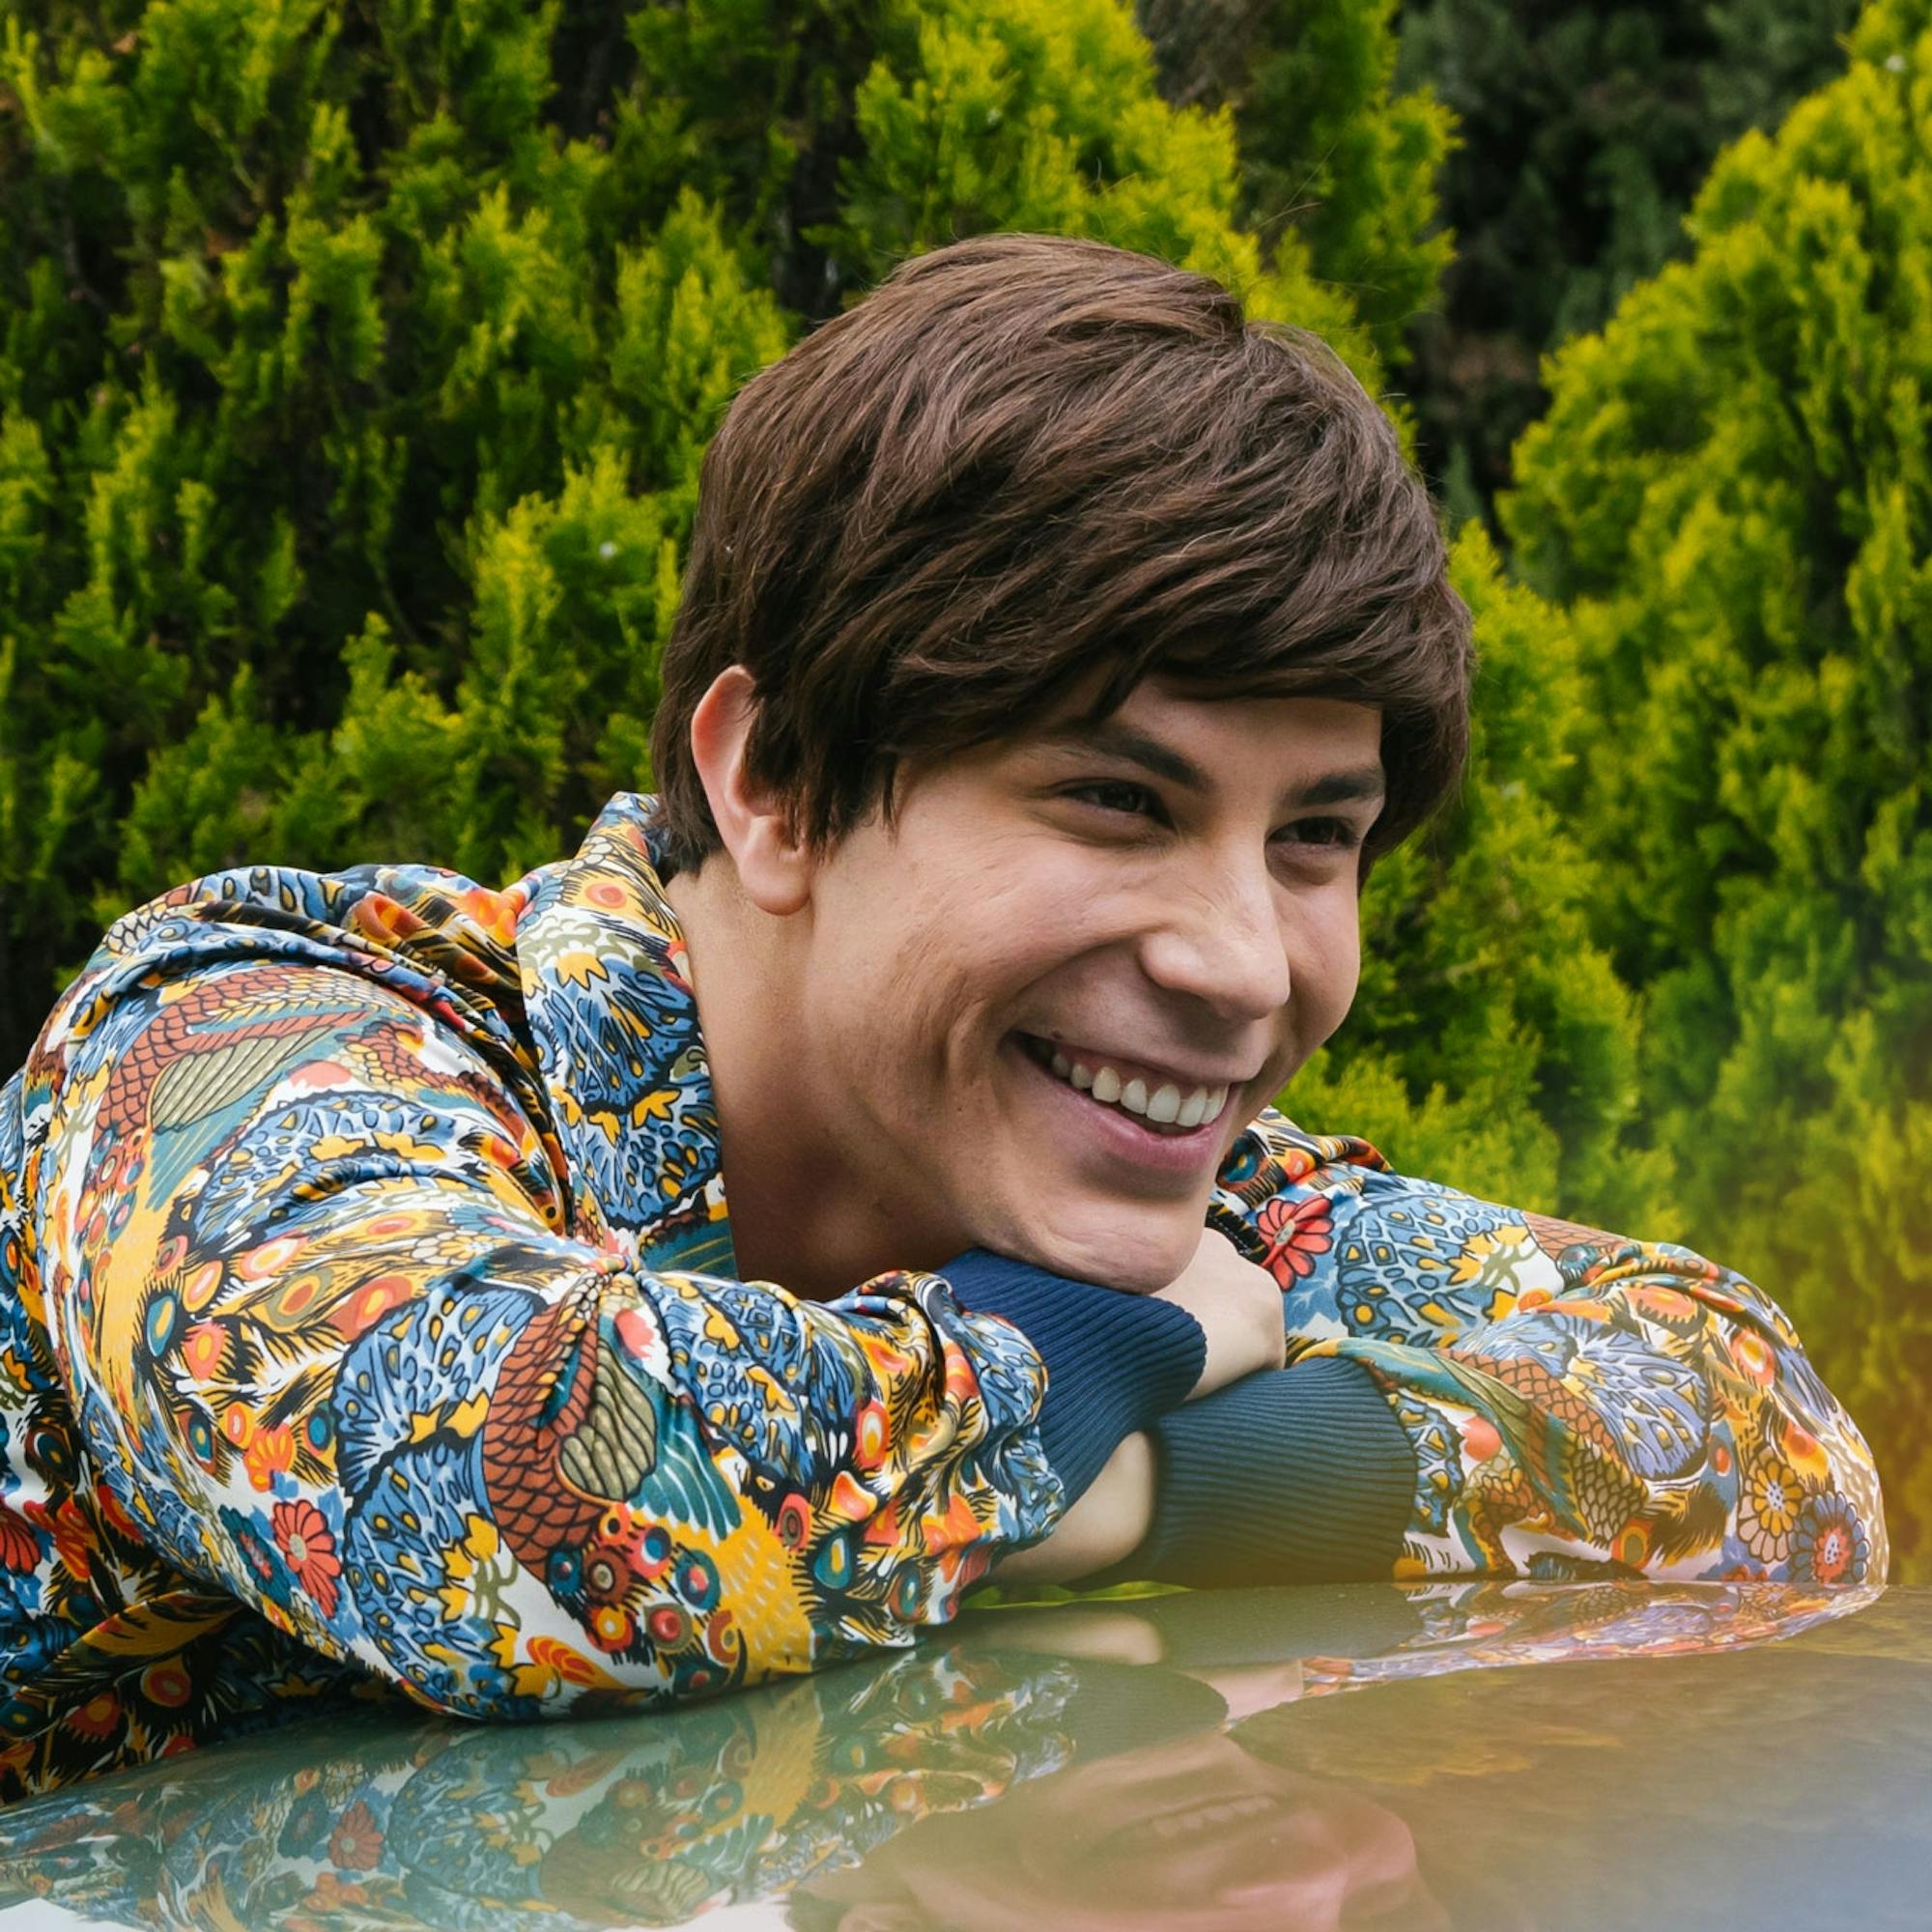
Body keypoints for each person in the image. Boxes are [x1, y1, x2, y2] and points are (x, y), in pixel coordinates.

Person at [0, 234, 1885, 1799]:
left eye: (1316, 837)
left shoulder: (1160, 1187)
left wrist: (1143, 1486)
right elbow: (504, 1486)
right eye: (1115, 801)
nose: (1244, 961)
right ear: (774, 784)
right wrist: (1057, 1366)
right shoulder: (251, 1051)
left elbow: (1762, 1440)